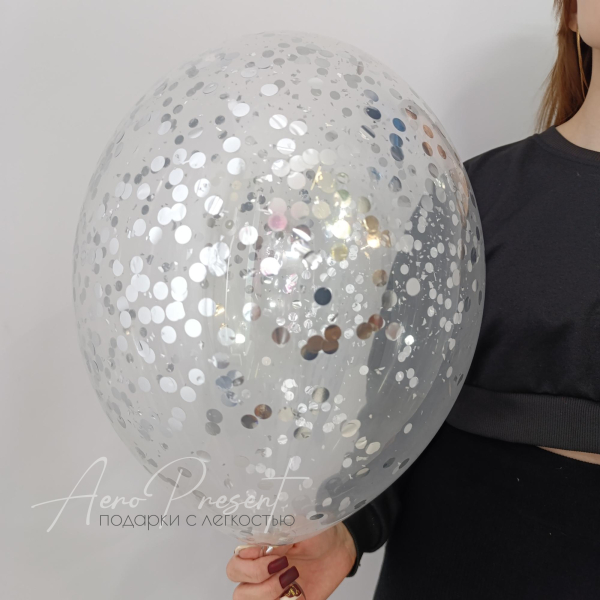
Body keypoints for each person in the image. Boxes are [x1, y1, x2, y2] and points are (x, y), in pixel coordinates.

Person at [225, 0, 600, 597]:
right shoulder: (473, 198)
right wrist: (349, 530)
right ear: (573, 13)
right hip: (455, 562)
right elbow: (398, 413)